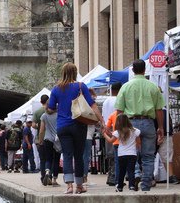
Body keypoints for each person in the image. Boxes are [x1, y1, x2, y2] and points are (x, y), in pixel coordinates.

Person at [47, 62, 104, 195]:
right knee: (78, 156)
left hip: (62, 126)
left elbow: (50, 108)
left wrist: (60, 107)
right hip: (79, 125)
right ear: (75, 72)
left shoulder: (56, 89)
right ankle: (79, 186)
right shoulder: (80, 86)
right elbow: (92, 105)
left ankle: (69, 186)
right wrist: (101, 120)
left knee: (67, 155)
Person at [114, 59, 165, 192]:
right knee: (148, 156)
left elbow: (119, 110)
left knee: (131, 153)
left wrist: (119, 128)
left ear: (132, 70)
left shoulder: (125, 87)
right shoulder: (153, 87)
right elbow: (159, 109)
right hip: (148, 122)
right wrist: (160, 127)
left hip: (130, 123)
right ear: (144, 70)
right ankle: (146, 184)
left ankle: (135, 174)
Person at [103, 113, 141, 192]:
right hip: (132, 154)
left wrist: (104, 134)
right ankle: (131, 186)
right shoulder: (135, 131)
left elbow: (110, 140)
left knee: (122, 171)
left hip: (121, 154)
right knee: (131, 170)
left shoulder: (118, 132)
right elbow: (138, 143)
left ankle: (120, 186)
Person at [102, 82, 122, 186]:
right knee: (117, 155)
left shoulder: (106, 101)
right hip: (116, 130)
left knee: (110, 155)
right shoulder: (119, 101)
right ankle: (115, 177)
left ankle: (111, 176)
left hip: (107, 129)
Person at [38, 104, 61, 186]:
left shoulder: (44, 116)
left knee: (48, 159)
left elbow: (41, 130)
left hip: (47, 139)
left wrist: (40, 140)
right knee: (56, 160)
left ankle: (47, 172)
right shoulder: (59, 115)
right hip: (57, 140)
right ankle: (54, 180)